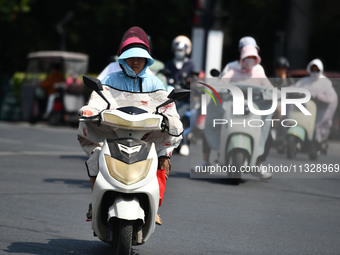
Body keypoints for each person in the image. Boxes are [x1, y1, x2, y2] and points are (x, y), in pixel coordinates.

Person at [77, 26, 183, 225]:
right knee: (96, 158)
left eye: (139, 57)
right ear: (123, 59)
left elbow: (168, 107)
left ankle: (155, 207)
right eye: (131, 57)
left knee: (163, 160)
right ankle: (95, 202)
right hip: (113, 134)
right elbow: (98, 100)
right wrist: (91, 110)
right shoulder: (109, 79)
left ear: (146, 60)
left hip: (147, 137)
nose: (135, 61)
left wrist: (171, 119)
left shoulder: (155, 82)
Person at [202, 45, 274, 179]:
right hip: (231, 110)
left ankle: (259, 164)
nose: (250, 60)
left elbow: (270, 88)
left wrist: (273, 93)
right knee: (209, 124)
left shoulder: (258, 73)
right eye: (247, 58)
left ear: (257, 60)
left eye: (253, 58)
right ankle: (205, 162)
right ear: (242, 59)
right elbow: (221, 83)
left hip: (253, 112)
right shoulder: (233, 72)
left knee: (269, 133)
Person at [294, 59, 338, 153]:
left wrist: (317, 96)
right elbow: (295, 88)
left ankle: (318, 140)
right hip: (306, 108)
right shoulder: (305, 80)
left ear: (320, 69)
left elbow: (331, 98)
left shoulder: (325, 82)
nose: (314, 71)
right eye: (312, 69)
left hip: (320, 109)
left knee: (318, 125)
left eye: (316, 69)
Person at [164, 35, 196, 156]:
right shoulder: (170, 64)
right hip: (172, 96)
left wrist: (190, 82)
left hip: (185, 99)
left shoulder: (191, 64)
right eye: (177, 50)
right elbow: (165, 76)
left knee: (181, 117)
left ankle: (184, 143)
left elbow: (195, 78)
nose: (179, 52)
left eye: (182, 50)